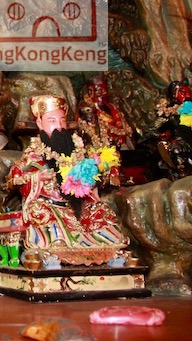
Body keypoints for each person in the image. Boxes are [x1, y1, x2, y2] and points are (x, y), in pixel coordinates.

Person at [7, 95, 128, 260]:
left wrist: (97, 173)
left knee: (102, 215)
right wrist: (38, 178)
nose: (59, 127)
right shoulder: (34, 154)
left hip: (78, 206)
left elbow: (93, 181)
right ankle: (54, 253)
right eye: (52, 121)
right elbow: (14, 179)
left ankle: (108, 249)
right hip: (50, 206)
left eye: (62, 121)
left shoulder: (78, 150)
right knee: (45, 222)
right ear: (40, 123)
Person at [77, 75, 134, 150]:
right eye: (99, 90)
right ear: (90, 92)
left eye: (105, 89)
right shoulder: (85, 110)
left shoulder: (111, 106)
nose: (104, 92)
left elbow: (124, 128)